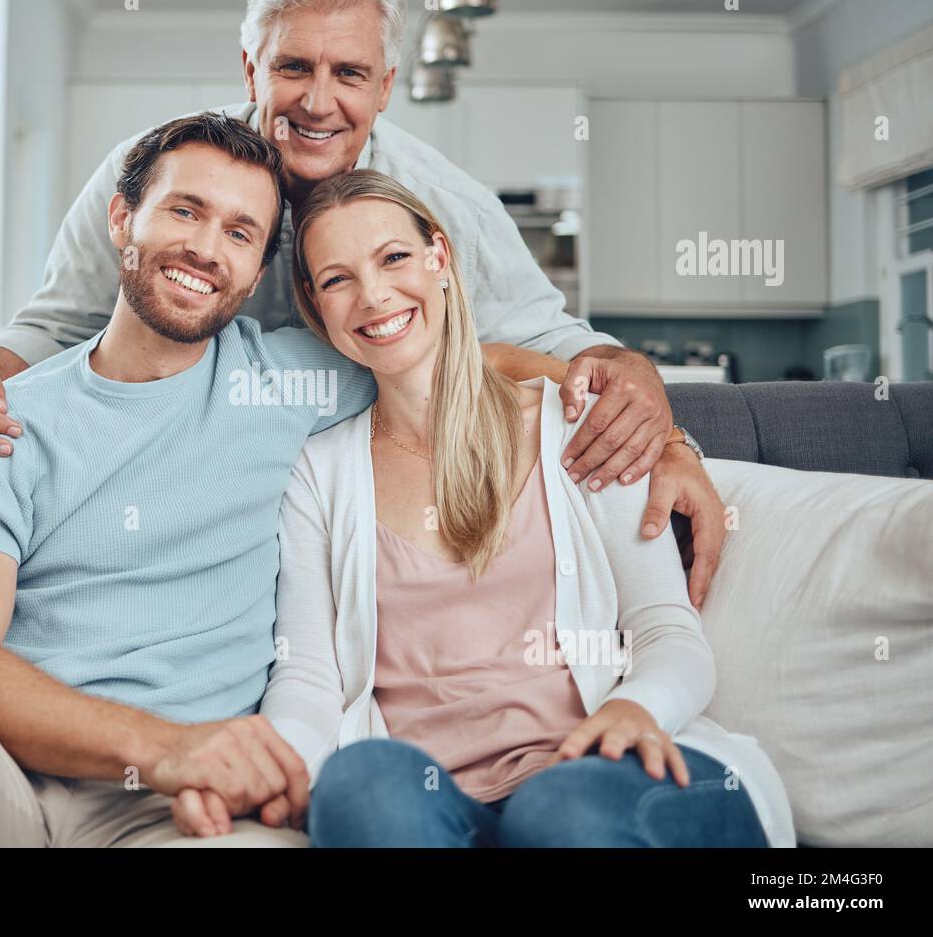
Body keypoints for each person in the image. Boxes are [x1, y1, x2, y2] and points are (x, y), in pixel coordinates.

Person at [0, 0, 726, 610]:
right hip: (189, 500)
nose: (319, 101)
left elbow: (549, 342)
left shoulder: (442, 204)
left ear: (386, 87)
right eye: (293, 66)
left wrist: (665, 429)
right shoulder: (156, 179)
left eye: (350, 74)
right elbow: (55, 325)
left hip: (368, 504)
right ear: (251, 68)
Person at [0, 114, 500, 847]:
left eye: (241, 233)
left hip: (187, 816)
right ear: (123, 219)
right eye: (185, 211)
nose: (206, 248)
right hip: (7, 783)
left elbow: (454, 357)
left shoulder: (290, 382)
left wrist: (609, 372)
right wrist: (161, 748)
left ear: (258, 274)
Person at [215, 170, 794, 847]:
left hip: (603, 773)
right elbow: (309, 676)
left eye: (394, 258)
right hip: (435, 802)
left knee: (558, 813)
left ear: (440, 259)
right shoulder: (319, 472)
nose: (374, 295)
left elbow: (667, 631)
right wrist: (281, 765)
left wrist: (639, 708)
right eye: (338, 279)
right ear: (314, 303)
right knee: (360, 785)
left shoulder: (578, 426)